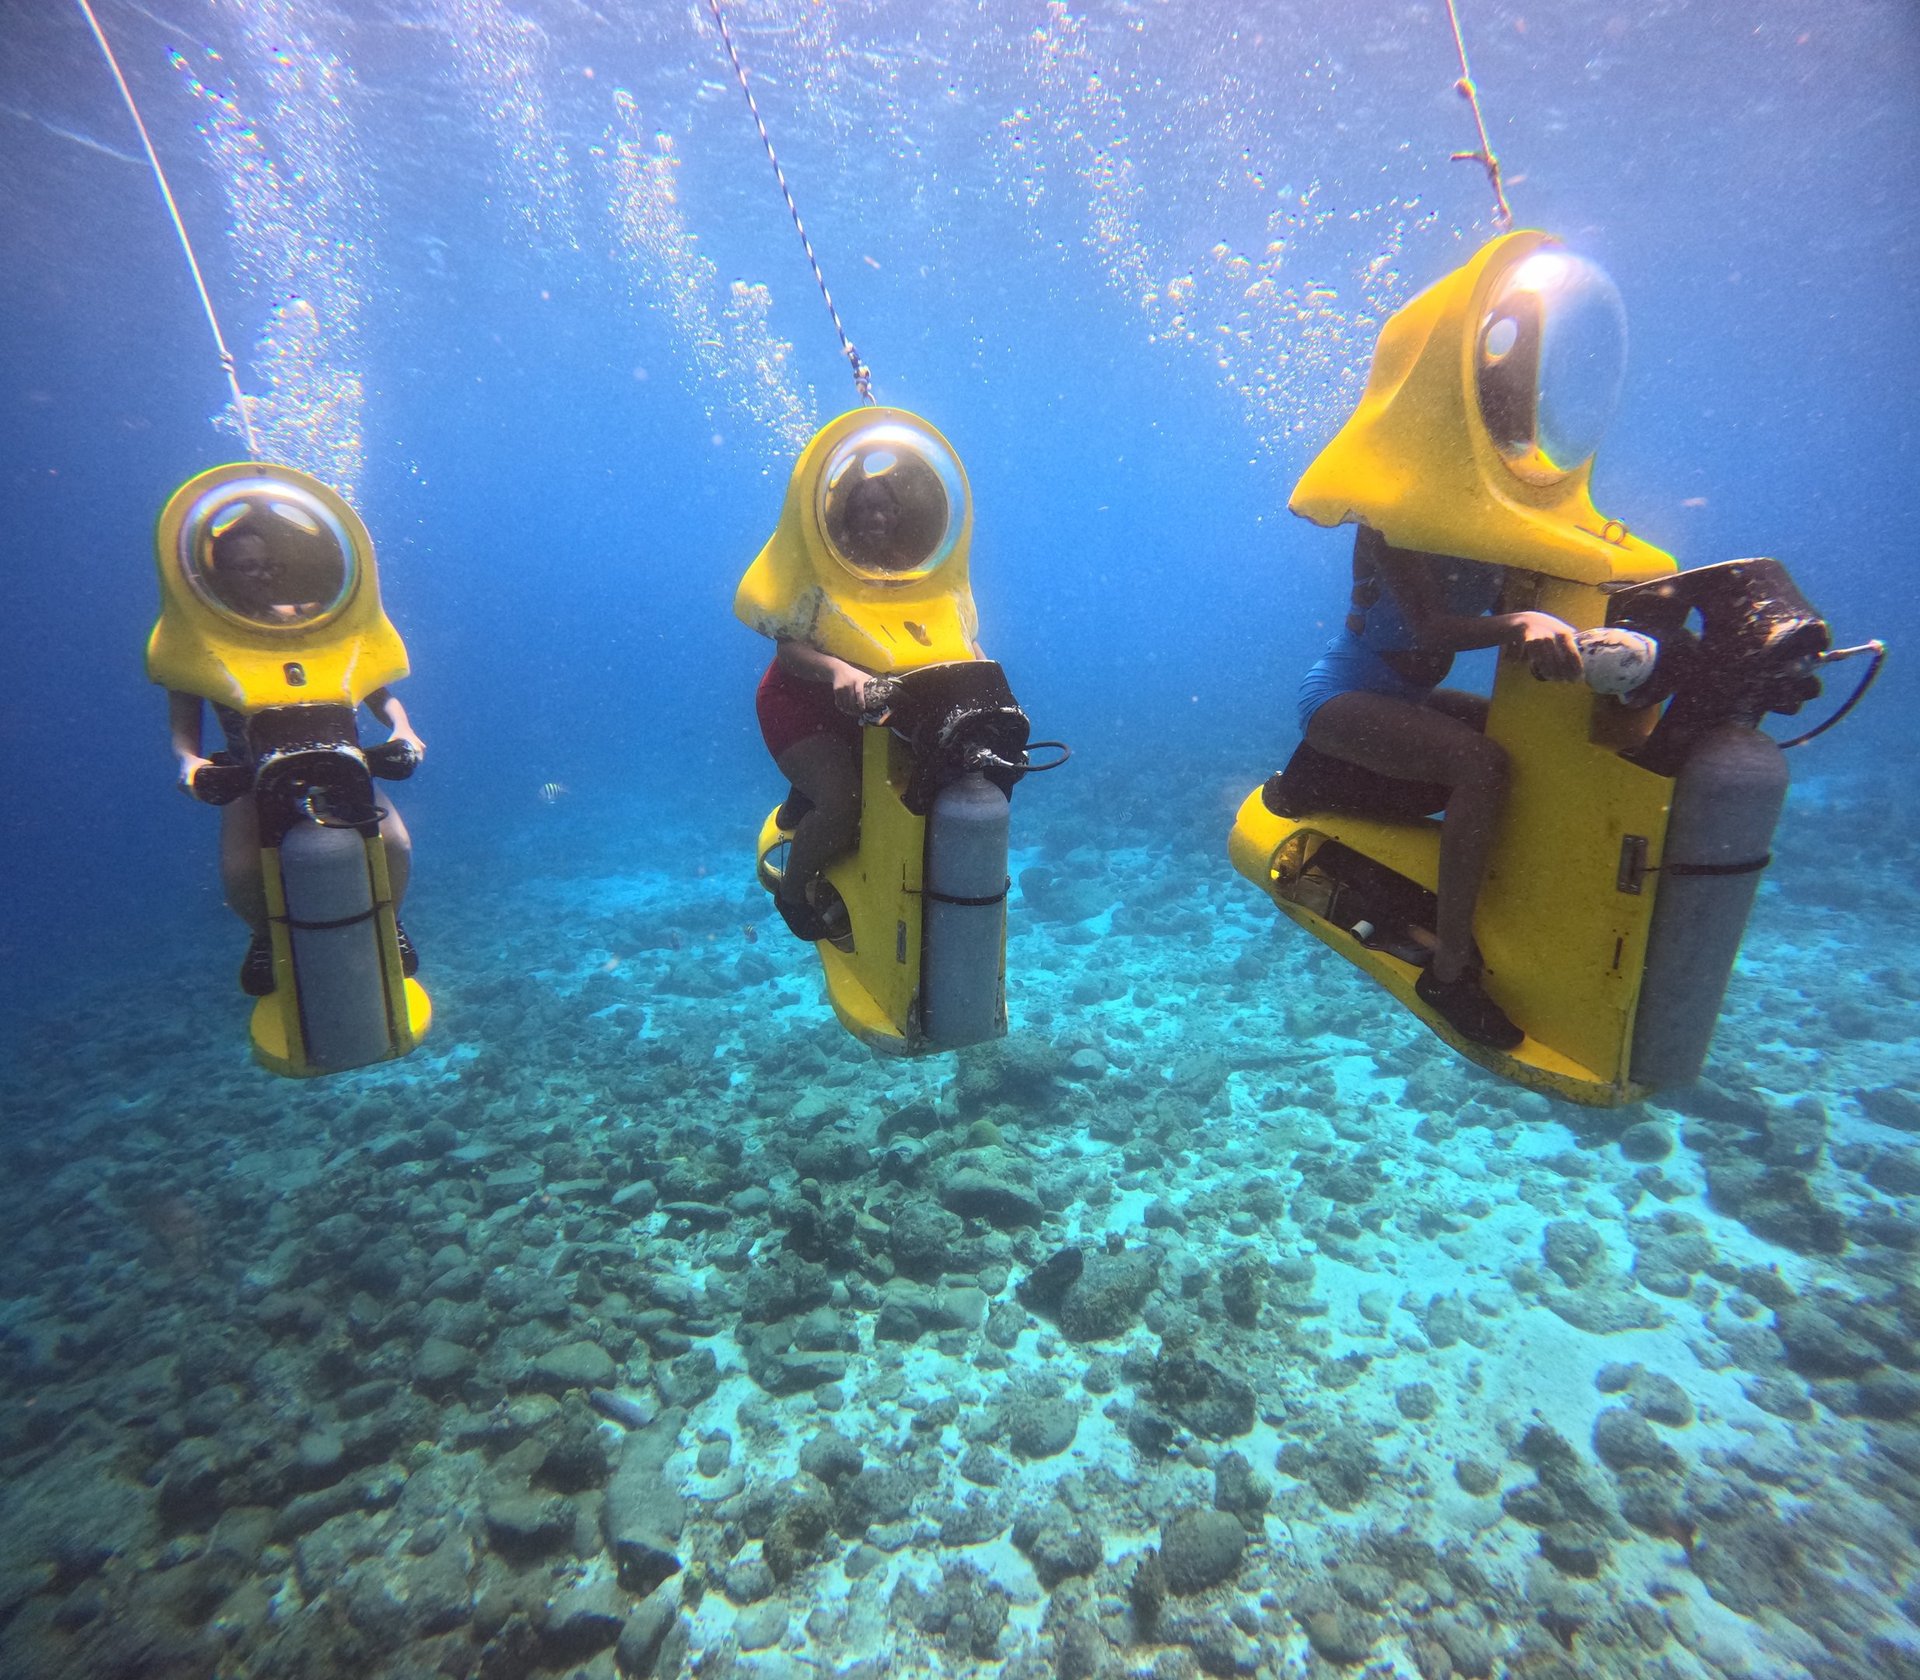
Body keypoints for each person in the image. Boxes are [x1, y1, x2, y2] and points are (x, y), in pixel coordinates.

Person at [1294, 524, 1583, 1049]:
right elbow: (1429, 628)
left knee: (1522, 742)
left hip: (1406, 698)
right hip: (1340, 696)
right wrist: (1525, 621)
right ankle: (1449, 971)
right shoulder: (1389, 517)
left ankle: (1319, 784)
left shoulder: (1492, 523)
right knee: (1482, 764)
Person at [164, 495, 424, 995]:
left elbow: (379, 693)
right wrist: (189, 763)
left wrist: (403, 732)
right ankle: (265, 936)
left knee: (396, 843)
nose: (261, 575)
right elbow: (185, 715)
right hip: (252, 768)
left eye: (269, 564)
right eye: (246, 566)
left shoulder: (315, 619)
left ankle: (390, 922)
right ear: (222, 572)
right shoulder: (201, 637)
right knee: (242, 869)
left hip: (341, 758)